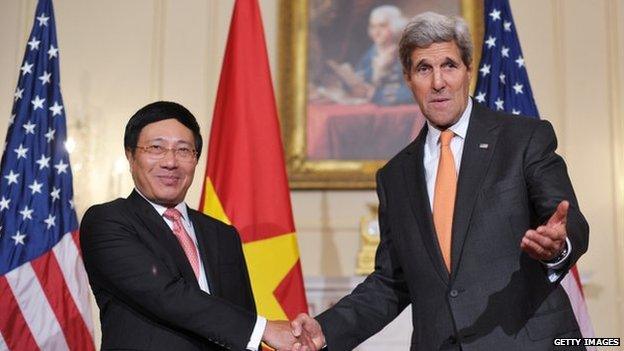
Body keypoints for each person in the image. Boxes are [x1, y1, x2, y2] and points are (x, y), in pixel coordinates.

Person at [292, 11, 589, 350]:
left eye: (448, 65)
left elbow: (568, 221)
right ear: (408, 78)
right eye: (423, 69)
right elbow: (391, 282)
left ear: (468, 71)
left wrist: (558, 246)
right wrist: (325, 329)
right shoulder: (395, 177)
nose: (438, 82)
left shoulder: (523, 139)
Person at [80, 101, 311, 350]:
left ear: (196, 159)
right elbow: (166, 294)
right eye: (156, 148)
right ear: (130, 155)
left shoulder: (223, 234)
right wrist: (264, 329)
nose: (170, 162)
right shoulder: (108, 221)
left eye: (183, 150)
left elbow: (239, 315)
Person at [353, 5, 412, 105]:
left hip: (398, 111)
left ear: (395, 26)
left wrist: (377, 94)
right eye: (373, 27)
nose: (376, 32)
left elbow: (415, 89)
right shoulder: (372, 52)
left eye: (382, 26)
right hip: (371, 106)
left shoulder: (406, 54)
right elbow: (360, 75)